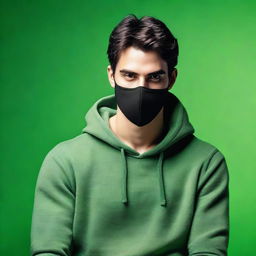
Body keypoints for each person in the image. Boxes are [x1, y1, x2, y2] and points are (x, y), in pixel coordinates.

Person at [30, 14, 230, 256]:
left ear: (172, 79)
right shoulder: (65, 161)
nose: (141, 88)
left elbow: (208, 252)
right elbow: (48, 252)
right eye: (129, 75)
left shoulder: (206, 163)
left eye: (154, 77)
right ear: (111, 75)